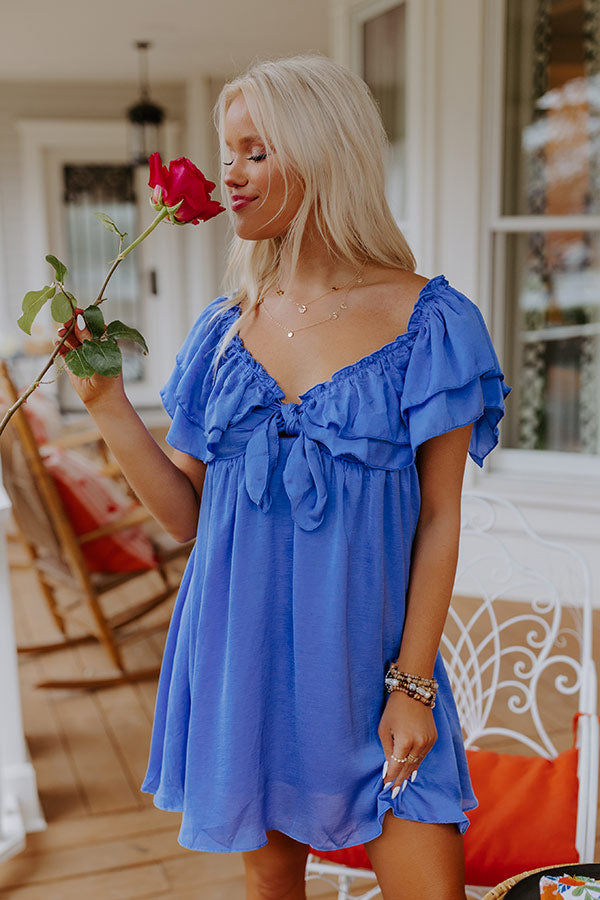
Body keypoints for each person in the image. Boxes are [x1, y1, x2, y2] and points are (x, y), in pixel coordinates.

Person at [56, 53, 510, 900]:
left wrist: (413, 687)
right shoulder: (223, 332)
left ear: (324, 154)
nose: (228, 176)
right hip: (245, 666)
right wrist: (108, 404)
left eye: (255, 152)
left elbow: (440, 518)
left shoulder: (431, 321)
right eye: (227, 153)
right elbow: (184, 519)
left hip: (373, 675)